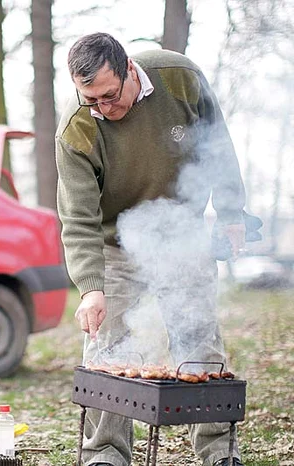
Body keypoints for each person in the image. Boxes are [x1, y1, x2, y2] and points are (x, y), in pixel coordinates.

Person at [55, 33, 247, 466]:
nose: (104, 109)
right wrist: (90, 287)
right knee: (107, 351)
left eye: (109, 95)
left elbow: (218, 145)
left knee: (199, 339)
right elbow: (78, 216)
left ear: (128, 69)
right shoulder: (77, 127)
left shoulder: (178, 77)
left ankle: (218, 452)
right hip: (115, 245)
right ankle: (105, 455)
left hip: (182, 234)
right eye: (91, 100)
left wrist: (232, 211)